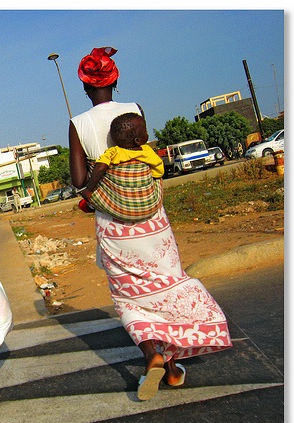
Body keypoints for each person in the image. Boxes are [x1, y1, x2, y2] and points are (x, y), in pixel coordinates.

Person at [69, 47, 232, 401]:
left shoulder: (78, 124)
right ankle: (172, 369)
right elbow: (143, 153)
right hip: (153, 223)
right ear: (116, 80)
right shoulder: (136, 111)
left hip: (114, 227)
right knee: (166, 285)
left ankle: (154, 356)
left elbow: (79, 181)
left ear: (84, 88)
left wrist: (101, 181)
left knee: (129, 298)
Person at [79, 112, 164, 222]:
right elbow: (159, 171)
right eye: (145, 131)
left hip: (122, 211)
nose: (147, 133)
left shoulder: (113, 152)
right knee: (158, 179)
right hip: (150, 207)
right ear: (137, 140)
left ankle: (91, 205)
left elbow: (100, 168)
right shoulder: (147, 150)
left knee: (93, 194)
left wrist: (89, 189)